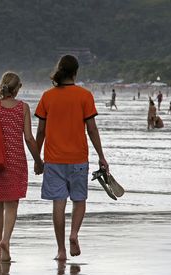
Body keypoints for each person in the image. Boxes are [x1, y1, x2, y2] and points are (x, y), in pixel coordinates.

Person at [35, 55, 109, 260]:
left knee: (58, 203)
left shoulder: (47, 96)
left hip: (53, 159)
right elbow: (92, 129)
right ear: (76, 72)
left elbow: (40, 131)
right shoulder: (85, 95)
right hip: (78, 159)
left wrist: (37, 158)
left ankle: (60, 250)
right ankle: (74, 233)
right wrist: (101, 156)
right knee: (79, 199)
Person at [0, 72, 44, 261]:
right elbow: (29, 138)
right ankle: (6, 240)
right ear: (17, 88)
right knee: (12, 204)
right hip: (16, 162)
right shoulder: (23, 107)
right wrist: (38, 161)